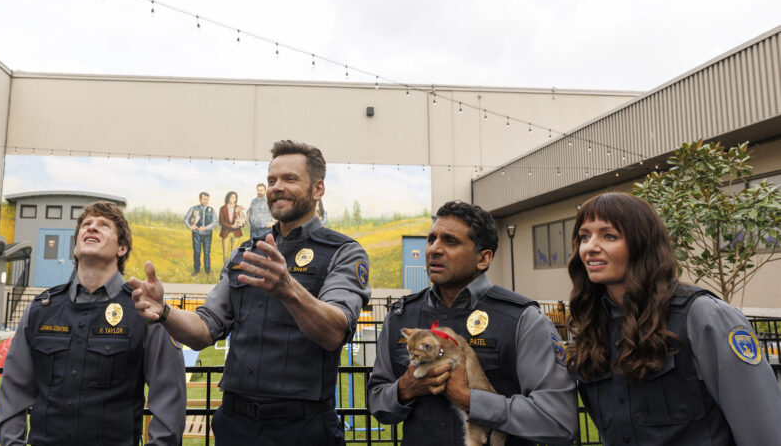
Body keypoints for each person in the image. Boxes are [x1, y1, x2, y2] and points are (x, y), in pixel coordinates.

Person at [130, 140, 371, 445]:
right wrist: (164, 311)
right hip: (236, 425)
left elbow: (335, 331)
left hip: (304, 428)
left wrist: (288, 289)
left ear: (318, 189)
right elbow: (203, 330)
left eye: (290, 179)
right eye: (272, 181)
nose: (277, 187)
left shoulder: (344, 252)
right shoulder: (244, 254)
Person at [567, 192, 781, 445]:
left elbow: (764, 433)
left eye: (609, 236)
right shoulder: (595, 327)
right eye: (584, 236)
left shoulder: (704, 317)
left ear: (641, 243)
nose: (590, 247)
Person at [368, 201, 577, 445]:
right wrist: (405, 388)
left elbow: (558, 421)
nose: (434, 249)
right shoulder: (401, 318)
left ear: (483, 258)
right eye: (431, 239)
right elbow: (376, 401)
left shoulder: (522, 319)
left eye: (450, 241)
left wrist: (470, 400)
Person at [0, 201, 186, 446]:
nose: (92, 228)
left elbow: (169, 398)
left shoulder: (144, 310)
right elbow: (14, 388)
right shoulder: (41, 310)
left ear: (122, 248)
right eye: (86, 225)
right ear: (75, 248)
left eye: (104, 225)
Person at [184, 192, 217, 274]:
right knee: (197, 252)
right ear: (200, 199)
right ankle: (196, 270)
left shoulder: (211, 210)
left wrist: (206, 227)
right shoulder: (194, 208)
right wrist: (189, 226)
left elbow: (214, 222)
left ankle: (207, 270)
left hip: (207, 235)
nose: (206, 201)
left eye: (207, 199)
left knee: (207, 253)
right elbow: (186, 219)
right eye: (204, 199)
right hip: (196, 234)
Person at [218, 191, 245, 264]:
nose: (233, 199)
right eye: (232, 197)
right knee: (225, 254)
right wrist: (231, 226)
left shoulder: (238, 208)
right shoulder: (223, 208)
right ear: (228, 198)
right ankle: (225, 270)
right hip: (225, 233)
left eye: (235, 197)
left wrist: (241, 223)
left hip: (236, 233)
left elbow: (243, 220)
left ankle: (232, 270)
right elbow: (221, 221)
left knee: (234, 253)